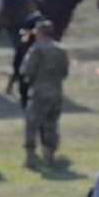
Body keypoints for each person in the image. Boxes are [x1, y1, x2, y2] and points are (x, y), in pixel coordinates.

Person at [19, 18, 68, 169]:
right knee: (51, 125)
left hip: (39, 92)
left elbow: (26, 70)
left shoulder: (37, 49)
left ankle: (30, 158)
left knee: (31, 124)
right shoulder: (61, 50)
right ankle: (49, 158)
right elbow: (64, 72)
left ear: (40, 33)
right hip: (56, 92)